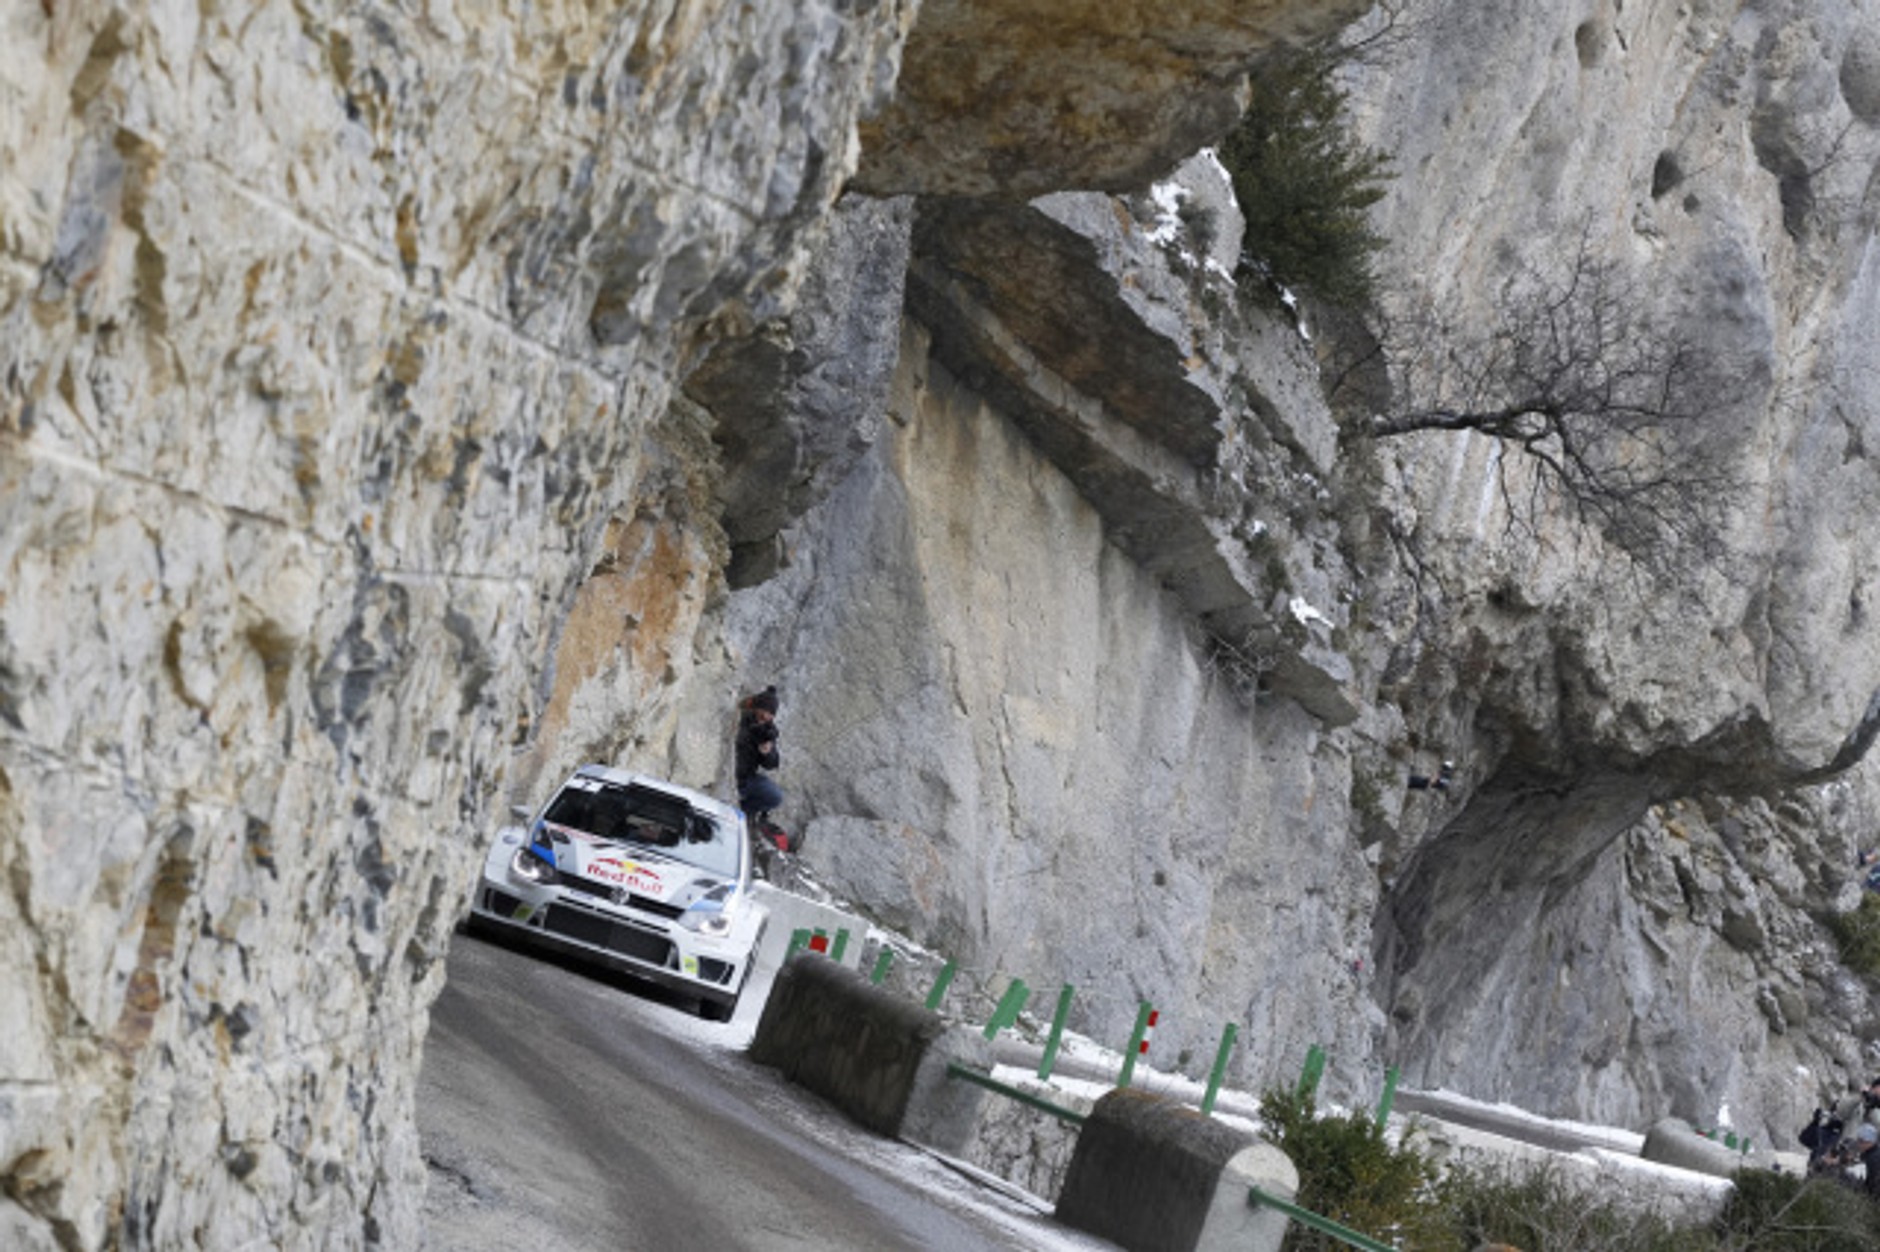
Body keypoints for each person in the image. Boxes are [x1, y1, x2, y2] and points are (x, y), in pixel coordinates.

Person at [735, 685, 783, 822]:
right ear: (756, 707)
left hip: (746, 779)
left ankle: (744, 810)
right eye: (763, 711)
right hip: (733, 774)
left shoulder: (768, 731)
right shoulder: (742, 718)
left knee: (775, 796)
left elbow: (773, 763)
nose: (765, 716)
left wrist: (767, 753)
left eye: (770, 714)